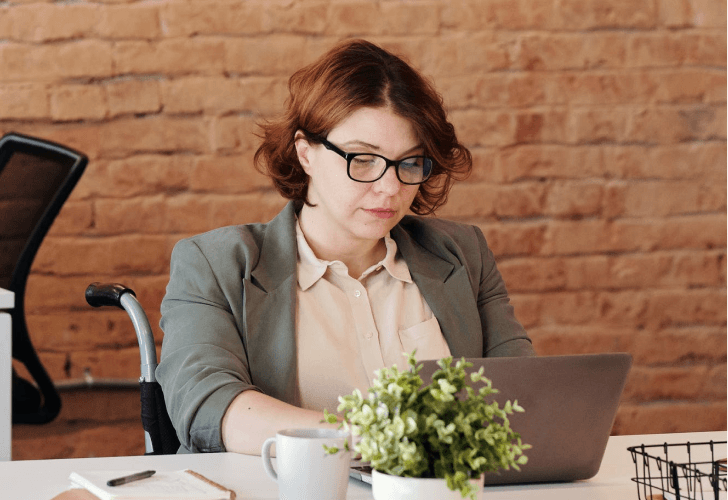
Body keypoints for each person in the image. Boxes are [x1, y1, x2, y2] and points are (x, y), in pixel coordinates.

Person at [156, 39, 535, 456]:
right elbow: (208, 409)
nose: (390, 187)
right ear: (306, 153)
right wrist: (376, 437)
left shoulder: (463, 254)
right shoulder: (216, 265)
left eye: (410, 162)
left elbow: (523, 395)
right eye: (363, 159)